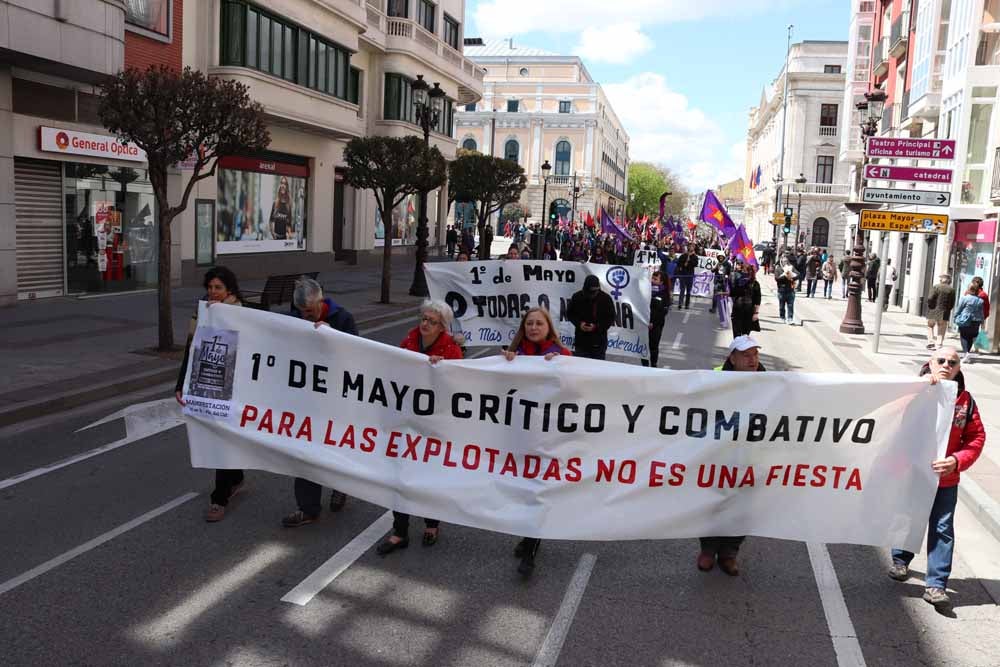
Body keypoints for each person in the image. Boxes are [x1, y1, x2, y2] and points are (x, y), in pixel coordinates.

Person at [888, 347, 986, 607]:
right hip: (914, 474)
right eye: (940, 360)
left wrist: (956, 461)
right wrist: (919, 390)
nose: (946, 365)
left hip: (946, 479)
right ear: (930, 363)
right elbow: (893, 422)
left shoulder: (966, 401)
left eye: (952, 362)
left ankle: (936, 584)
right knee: (908, 517)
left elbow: (976, 438)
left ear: (958, 369)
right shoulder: (914, 391)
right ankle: (900, 560)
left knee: (942, 528)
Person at [377, 302, 464, 556]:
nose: (425, 324)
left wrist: (441, 371)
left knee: (428, 476)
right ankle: (399, 531)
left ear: (442, 326)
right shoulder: (409, 342)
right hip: (406, 421)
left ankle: (431, 524)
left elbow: (458, 388)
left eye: (432, 321)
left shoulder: (451, 349)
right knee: (400, 475)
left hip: (433, 426)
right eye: (423, 318)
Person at [282, 278, 359, 528]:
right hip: (306, 398)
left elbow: (357, 357)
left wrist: (332, 337)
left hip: (335, 397)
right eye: (303, 312)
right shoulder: (295, 318)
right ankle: (308, 508)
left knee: (335, 447)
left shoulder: (343, 319)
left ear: (321, 300)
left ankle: (340, 486)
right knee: (305, 452)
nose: (307, 316)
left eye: (311, 311)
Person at [502, 308, 572, 575]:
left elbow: (575, 390)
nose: (533, 327)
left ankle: (530, 551)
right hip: (519, 434)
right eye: (529, 323)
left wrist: (562, 367)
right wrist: (506, 363)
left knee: (538, 491)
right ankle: (526, 537)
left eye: (538, 323)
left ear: (548, 326)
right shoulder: (514, 354)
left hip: (548, 435)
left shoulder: (561, 354)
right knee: (523, 489)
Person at [175, 267, 246, 523]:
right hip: (210, 385)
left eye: (218, 288)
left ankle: (219, 499)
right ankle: (235, 478)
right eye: (210, 287)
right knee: (220, 437)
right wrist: (181, 383)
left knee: (223, 440)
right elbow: (190, 351)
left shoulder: (242, 313)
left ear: (230, 290)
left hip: (236, 387)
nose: (213, 292)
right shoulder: (202, 313)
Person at [698, 335, 766, 575]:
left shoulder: (772, 383)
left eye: (755, 354)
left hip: (751, 458)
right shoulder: (715, 377)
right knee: (712, 504)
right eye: (746, 355)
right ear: (733, 358)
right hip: (719, 455)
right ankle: (708, 550)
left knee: (742, 508)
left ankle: (729, 552)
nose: (753, 360)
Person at [567, 274, 616, 360]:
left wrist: (596, 327)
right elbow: (570, 313)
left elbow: (610, 318)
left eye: (594, 292)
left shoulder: (605, 299)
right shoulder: (577, 297)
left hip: (598, 343)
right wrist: (579, 324)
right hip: (581, 341)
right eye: (590, 293)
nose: (592, 295)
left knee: (597, 370)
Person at [643, 270, 670, 368]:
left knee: (653, 346)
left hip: (656, 325)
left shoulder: (664, 294)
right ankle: (644, 366)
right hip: (644, 323)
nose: (652, 280)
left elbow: (663, 312)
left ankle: (653, 365)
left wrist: (653, 323)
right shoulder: (645, 290)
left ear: (661, 282)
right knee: (643, 346)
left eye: (655, 279)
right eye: (652, 278)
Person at [953, 283, 986, 363]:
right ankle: (966, 354)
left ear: (969, 289)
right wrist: (982, 322)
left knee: (964, 336)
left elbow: (959, 309)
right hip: (976, 321)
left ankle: (966, 353)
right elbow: (981, 312)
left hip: (965, 320)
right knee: (971, 336)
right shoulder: (980, 300)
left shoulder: (964, 298)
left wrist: (955, 316)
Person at [925, 275, 956, 349]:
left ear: (941, 280)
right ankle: (939, 343)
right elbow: (952, 302)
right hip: (944, 311)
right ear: (949, 281)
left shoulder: (936, 287)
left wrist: (930, 305)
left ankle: (931, 341)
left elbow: (930, 298)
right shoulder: (951, 290)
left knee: (930, 326)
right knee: (941, 327)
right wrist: (948, 309)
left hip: (933, 310)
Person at [269, 176, 293, 240]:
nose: (283, 185)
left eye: (285, 184)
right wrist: (273, 235)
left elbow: (289, 224)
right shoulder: (275, 203)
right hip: (275, 239)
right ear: (279, 185)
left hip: (284, 239)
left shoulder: (288, 205)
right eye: (281, 183)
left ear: (287, 187)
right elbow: (271, 221)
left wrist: (289, 234)